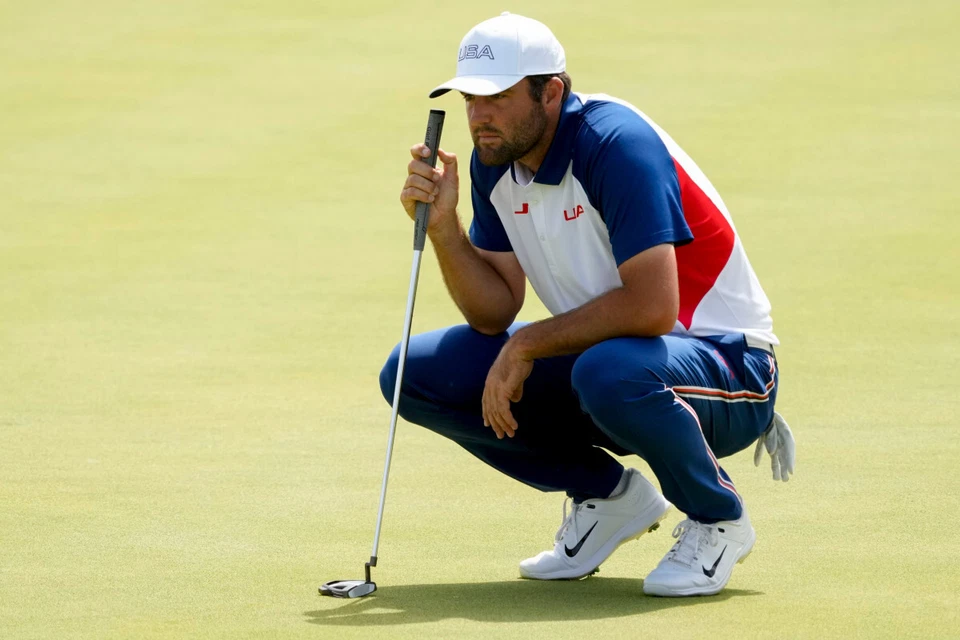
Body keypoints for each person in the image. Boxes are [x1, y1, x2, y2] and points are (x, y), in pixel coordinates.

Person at [383, 12, 796, 597]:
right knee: (413, 374)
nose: (479, 117)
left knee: (608, 370)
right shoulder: (494, 161)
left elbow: (653, 308)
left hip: (730, 367)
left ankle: (717, 517)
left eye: (497, 97)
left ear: (551, 92)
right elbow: (494, 310)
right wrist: (446, 226)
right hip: (609, 363)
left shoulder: (615, 145)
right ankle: (610, 498)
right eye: (471, 99)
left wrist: (527, 344)